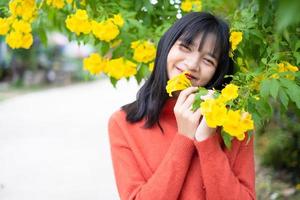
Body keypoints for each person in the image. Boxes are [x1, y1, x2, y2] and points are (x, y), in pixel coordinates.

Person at [108, 12, 255, 200]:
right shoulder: (122, 123)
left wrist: (207, 141)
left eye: (208, 60)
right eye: (186, 47)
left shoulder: (236, 122)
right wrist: (184, 138)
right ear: (167, 46)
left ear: (217, 72)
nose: (192, 64)